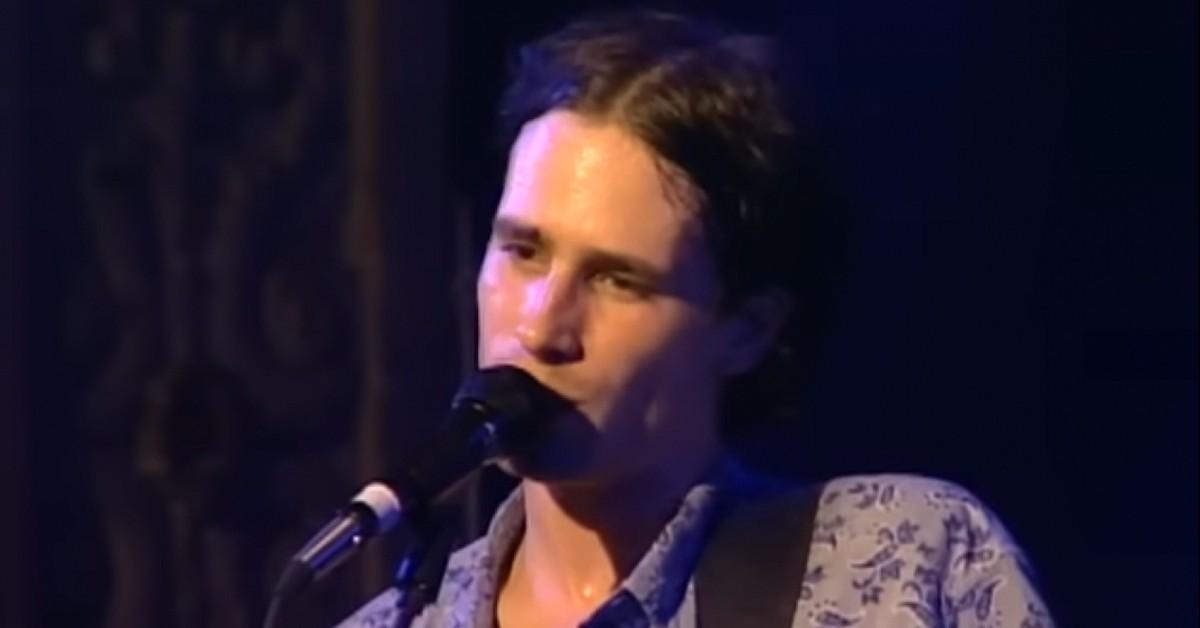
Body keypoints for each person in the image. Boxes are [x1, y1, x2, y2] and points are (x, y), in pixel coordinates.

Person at [339, 9, 1054, 628]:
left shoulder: (906, 561)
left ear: (748, 328)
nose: (540, 327)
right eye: (523, 251)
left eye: (617, 279)